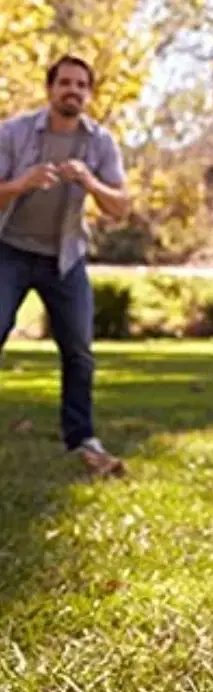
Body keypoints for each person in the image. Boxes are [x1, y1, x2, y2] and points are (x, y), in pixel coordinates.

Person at [0, 55, 131, 478]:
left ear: (88, 94)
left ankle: (81, 437)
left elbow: (120, 208)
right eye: (65, 83)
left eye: (80, 85)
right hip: (10, 250)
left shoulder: (101, 143)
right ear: (50, 89)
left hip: (65, 257)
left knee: (79, 350)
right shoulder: (13, 132)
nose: (72, 90)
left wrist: (91, 183)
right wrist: (22, 183)